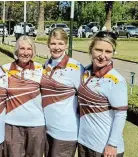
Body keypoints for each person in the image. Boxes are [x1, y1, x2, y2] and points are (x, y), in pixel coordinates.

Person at [77, 31, 127, 157]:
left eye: (108, 52)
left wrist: (112, 144)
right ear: (91, 50)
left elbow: (120, 114)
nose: (102, 56)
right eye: (98, 50)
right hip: (84, 142)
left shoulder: (116, 80)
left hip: (104, 148)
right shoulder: (85, 72)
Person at [40, 28, 84, 157]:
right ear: (48, 44)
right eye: (53, 43)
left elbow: (84, 98)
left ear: (66, 44)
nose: (57, 47)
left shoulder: (76, 68)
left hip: (66, 132)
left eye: (60, 43)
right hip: (48, 130)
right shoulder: (46, 65)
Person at [2, 35, 46, 157]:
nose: (25, 53)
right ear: (16, 50)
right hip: (12, 125)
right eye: (22, 48)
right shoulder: (5, 70)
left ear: (33, 51)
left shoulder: (41, 69)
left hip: (36, 125)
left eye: (29, 49)